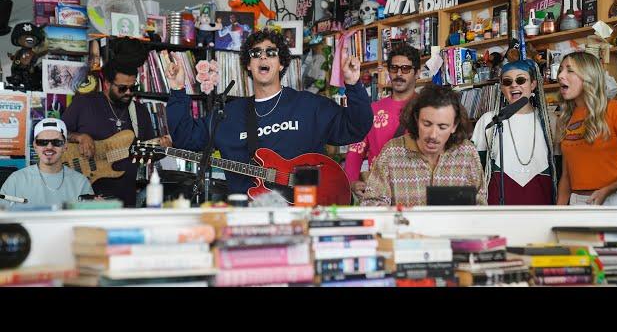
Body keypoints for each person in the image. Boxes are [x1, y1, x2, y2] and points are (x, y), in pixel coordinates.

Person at [166, 28, 373, 200]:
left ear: (281, 63)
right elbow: (185, 138)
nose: (262, 56)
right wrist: (177, 90)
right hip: (250, 218)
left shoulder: (308, 105)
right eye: (255, 54)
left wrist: (353, 85)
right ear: (248, 64)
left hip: (307, 208)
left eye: (271, 52)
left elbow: (355, 127)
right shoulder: (228, 115)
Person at [62, 50, 170, 207]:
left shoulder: (139, 112)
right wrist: (80, 137)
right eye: (122, 88)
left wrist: (160, 151)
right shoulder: (84, 103)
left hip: (125, 198)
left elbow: (143, 155)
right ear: (106, 84)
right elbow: (57, 136)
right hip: (84, 196)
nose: (128, 93)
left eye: (133, 87)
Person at [361, 84, 486, 207]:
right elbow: (370, 204)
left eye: (442, 127)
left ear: (454, 126)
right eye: (427, 124)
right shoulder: (392, 152)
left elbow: (480, 206)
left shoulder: (467, 153)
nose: (433, 135)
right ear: (416, 119)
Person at [556, 51, 617, 205]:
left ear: (589, 76)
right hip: (577, 202)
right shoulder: (565, 119)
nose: (561, 75)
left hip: (614, 199)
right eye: (560, 70)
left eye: (570, 70)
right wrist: (558, 212)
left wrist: (609, 189)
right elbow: (566, 177)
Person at [472, 59, 558, 205]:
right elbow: (475, 167)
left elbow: (560, 166)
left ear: (533, 84)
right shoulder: (488, 120)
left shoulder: (550, 120)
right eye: (507, 82)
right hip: (499, 200)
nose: (513, 85)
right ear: (501, 88)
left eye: (520, 80)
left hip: (540, 198)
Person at [345, 44, 420, 200]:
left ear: (417, 73)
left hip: (417, 189)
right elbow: (356, 149)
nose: (399, 73)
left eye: (406, 69)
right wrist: (352, 182)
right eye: (394, 68)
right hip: (378, 191)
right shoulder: (371, 110)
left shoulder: (427, 108)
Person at [0, 118, 93, 207]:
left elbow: (89, 219)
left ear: (65, 146)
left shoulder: (80, 182)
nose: (49, 147)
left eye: (56, 142)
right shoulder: (16, 180)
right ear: (35, 145)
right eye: (42, 142)